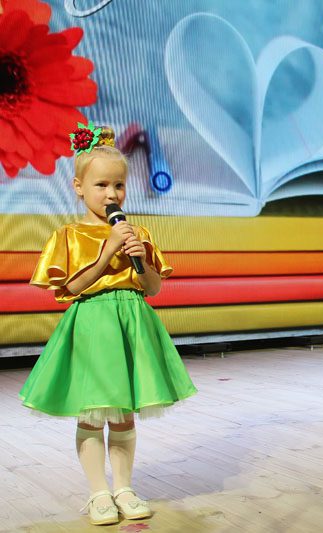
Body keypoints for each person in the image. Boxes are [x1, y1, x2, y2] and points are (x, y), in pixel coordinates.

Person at [19, 123, 197, 525]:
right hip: (94, 327)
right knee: (92, 413)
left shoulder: (138, 232)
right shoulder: (69, 235)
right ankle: (99, 492)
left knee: (123, 413)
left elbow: (152, 288)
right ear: (78, 187)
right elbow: (70, 288)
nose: (111, 194)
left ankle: (124, 488)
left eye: (119, 185)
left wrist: (141, 259)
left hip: (131, 323)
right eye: (101, 185)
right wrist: (106, 254)